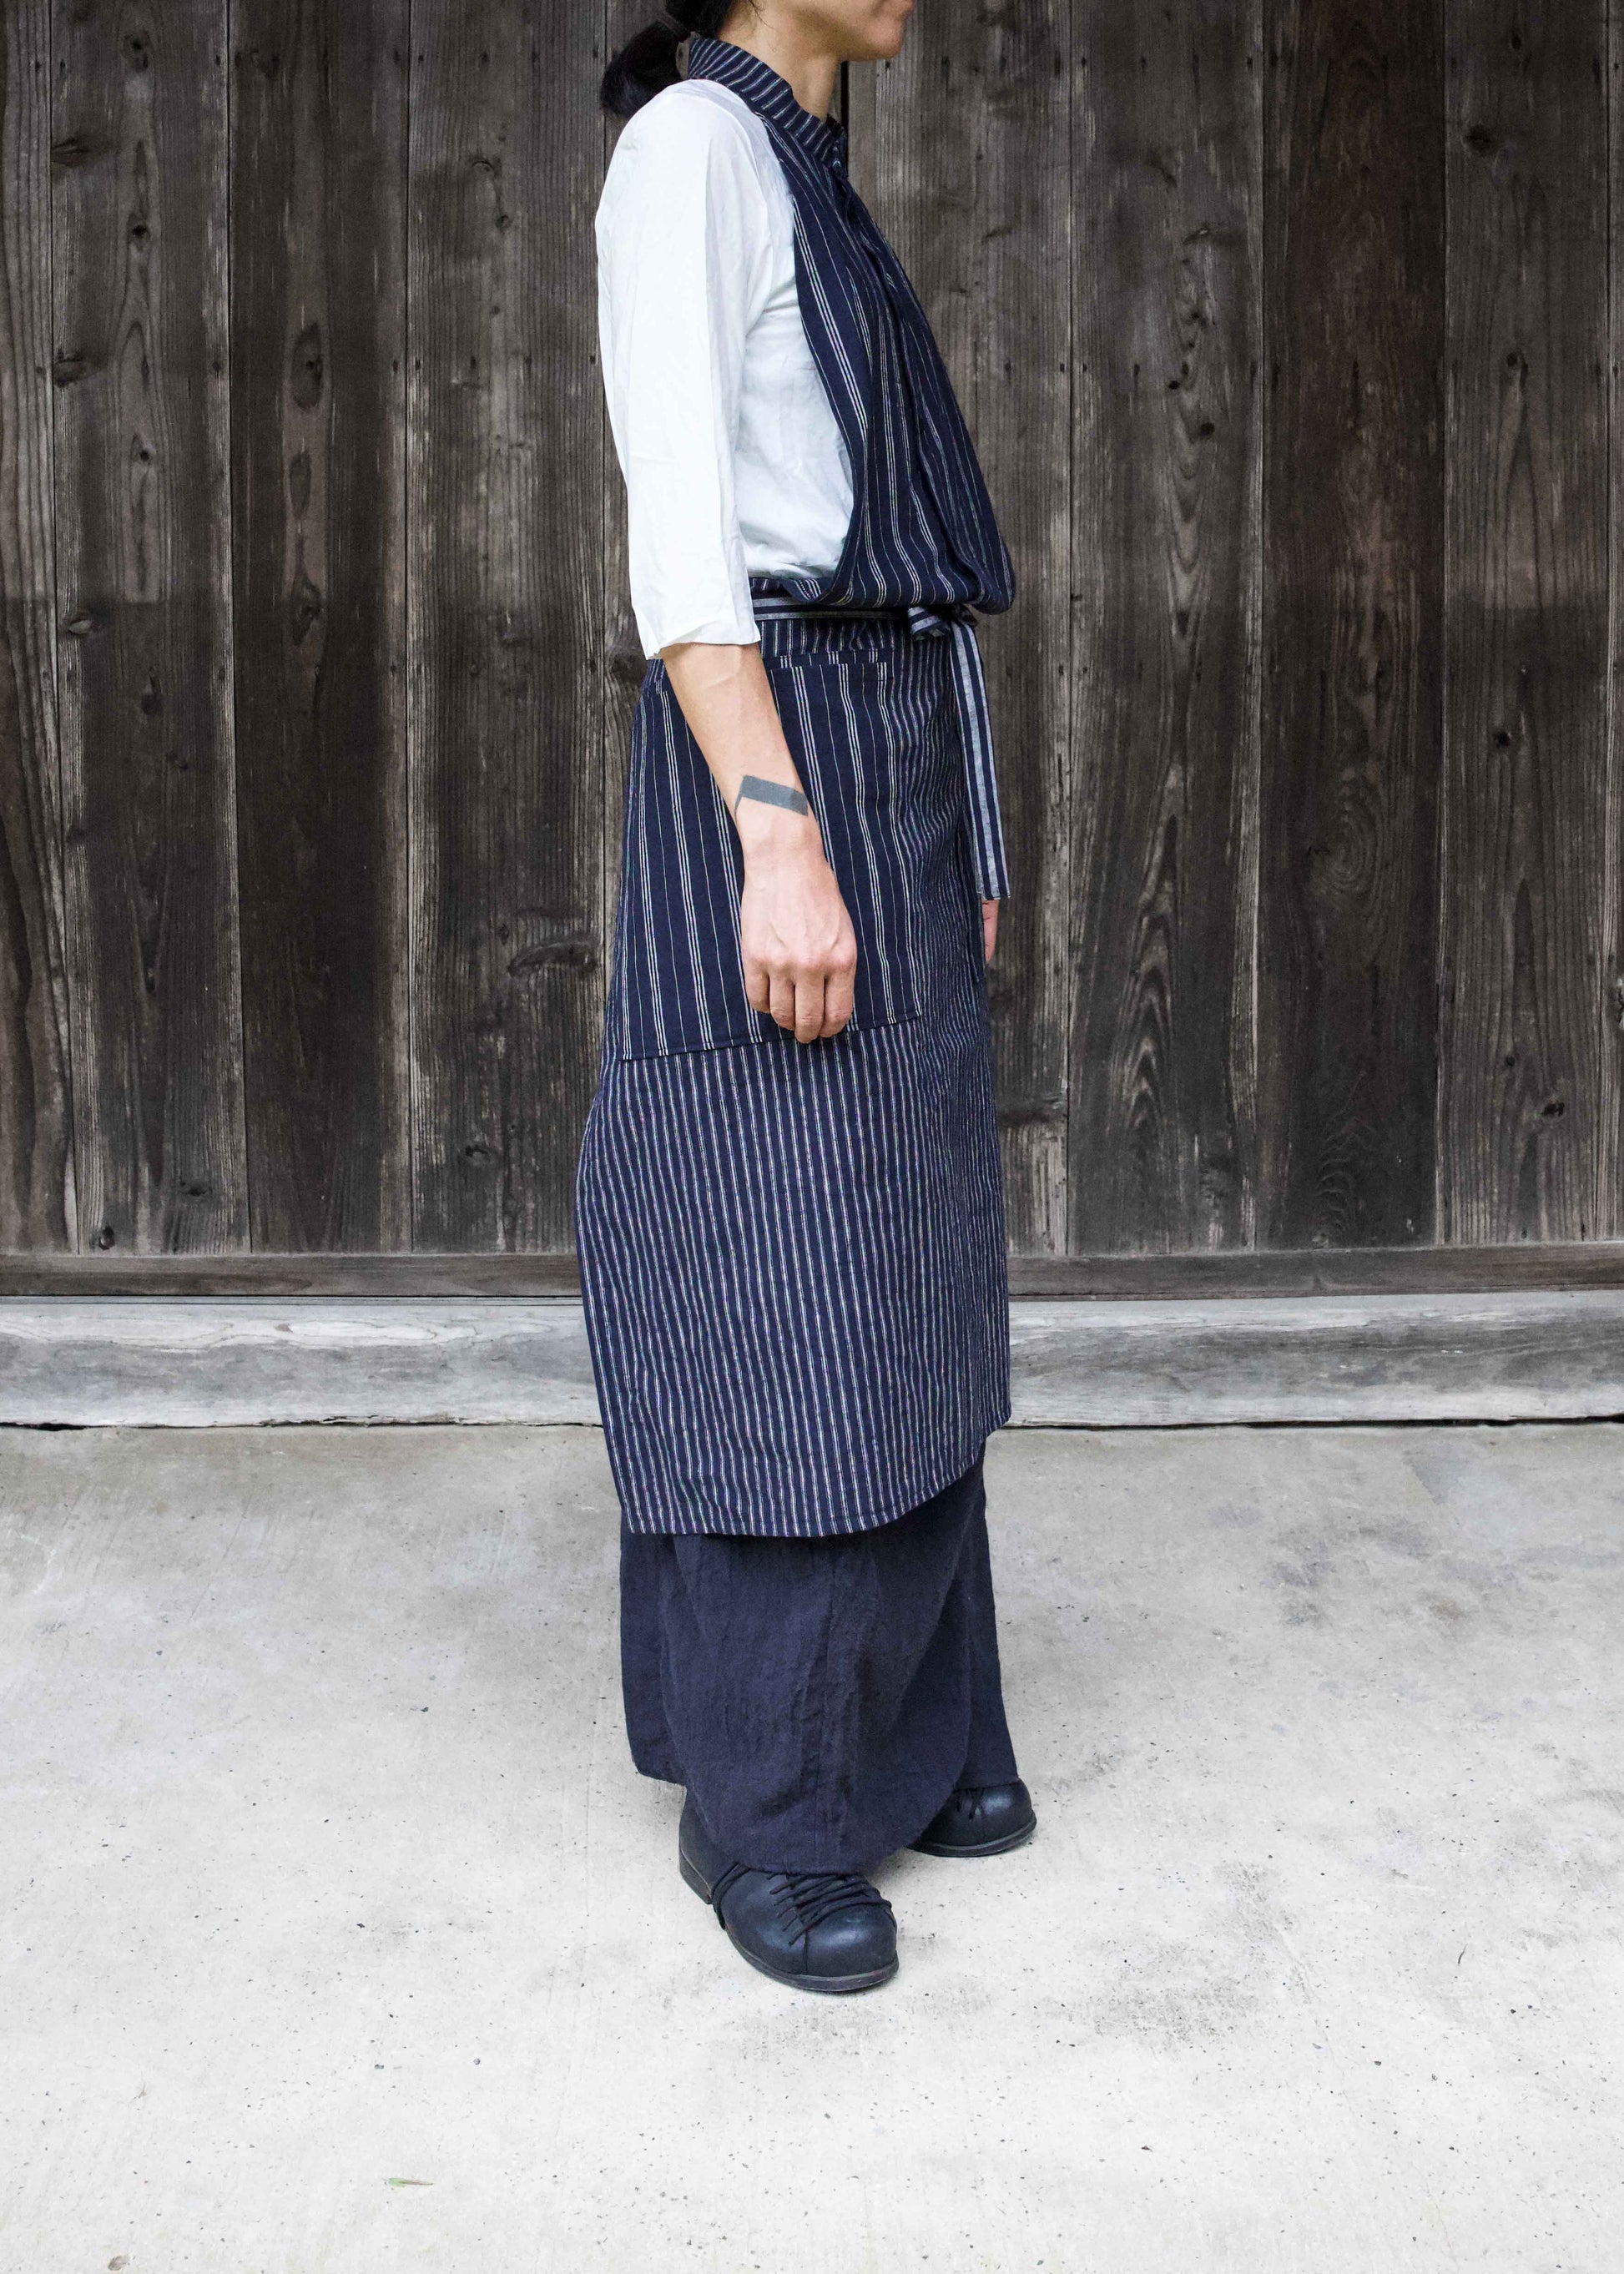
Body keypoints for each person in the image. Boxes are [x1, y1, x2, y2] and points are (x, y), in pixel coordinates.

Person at [580, 0, 1034, 1995]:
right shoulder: (694, 147)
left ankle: (920, 1731)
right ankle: (764, 1807)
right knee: (776, 1264)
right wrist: (775, 829)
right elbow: (685, 526)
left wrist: (955, 833)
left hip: (891, 743)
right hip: (779, 743)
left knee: (906, 1252)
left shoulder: (806, 169)